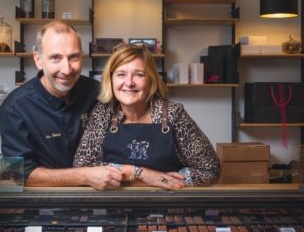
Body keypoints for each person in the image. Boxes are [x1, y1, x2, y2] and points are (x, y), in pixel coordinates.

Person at [0, 21, 125, 189]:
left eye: (74, 57)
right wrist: (86, 176)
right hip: (45, 204)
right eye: (56, 58)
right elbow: (21, 173)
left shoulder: (98, 92)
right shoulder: (16, 107)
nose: (67, 69)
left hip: (102, 197)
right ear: (38, 59)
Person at [73, 43, 219, 188]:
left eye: (139, 74)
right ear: (110, 80)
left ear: (151, 80)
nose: (129, 83)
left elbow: (210, 169)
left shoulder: (172, 114)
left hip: (164, 204)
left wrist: (170, 181)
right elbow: (83, 167)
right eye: (121, 74)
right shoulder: (103, 113)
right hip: (114, 206)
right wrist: (141, 174)